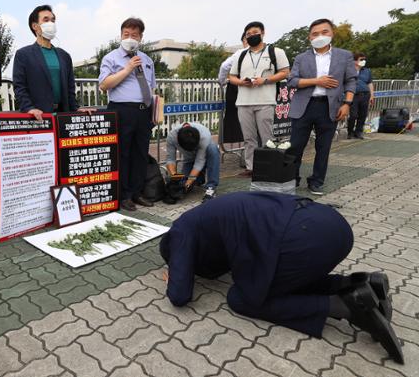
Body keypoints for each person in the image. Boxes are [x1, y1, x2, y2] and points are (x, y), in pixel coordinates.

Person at [160, 191, 403, 364]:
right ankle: (358, 284)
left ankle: (347, 307)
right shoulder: (211, 212)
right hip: (331, 225)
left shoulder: (181, 229)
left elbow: (180, 296)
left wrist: (175, 274)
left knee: (242, 298)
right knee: (280, 277)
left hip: (302, 239)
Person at [287, 18, 357, 195]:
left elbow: (350, 81)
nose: (320, 36)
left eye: (324, 32)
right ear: (309, 37)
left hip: (329, 106)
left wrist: (347, 103)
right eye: (315, 33)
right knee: (295, 145)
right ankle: (291, 179)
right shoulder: (301, 58)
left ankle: (316, 181)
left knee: (323, 146)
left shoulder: (344, 56)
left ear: (332, 33)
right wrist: (316, 81)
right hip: (304, 106)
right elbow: (292, 81)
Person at [99, 17, 156, 212]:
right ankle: (123, 195)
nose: (130, 38)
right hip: (122, 110)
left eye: (134, 35)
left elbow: (151, 86)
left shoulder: (147, 60)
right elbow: (104, 85)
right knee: (122, 154)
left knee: (140, 154)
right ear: (120, 35)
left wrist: (153, 109)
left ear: (140, 37)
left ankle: (137, 192)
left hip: (143, 111)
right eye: (126, 34)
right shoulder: (111, 58)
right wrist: (128, 68)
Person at [228, 22, 290, 176]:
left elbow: (285, 72)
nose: (251, 36)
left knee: (267, 138)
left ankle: (269, 167)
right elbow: (231, 77)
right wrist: (241, 82)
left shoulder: (276, 51)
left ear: (262, 33)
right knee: (249, 138)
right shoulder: (241, 55)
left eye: (254, 32)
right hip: (243, 102)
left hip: (265, 101)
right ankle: (251, 168)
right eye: (248, 34)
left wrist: (265, 80)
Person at [13, 4, 80, 120]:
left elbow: (70, 88)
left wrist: (76, 108)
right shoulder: (23, 55)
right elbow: (20, 87)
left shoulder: (64, 56)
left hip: (63, 116)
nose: (51, 23)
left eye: (53, 20)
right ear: (35, 26)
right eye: (46, 20)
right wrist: (29, 108)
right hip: (39, 116)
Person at [165, 123, 220, 201]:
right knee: (181, 183)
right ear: (178, 140)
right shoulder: (172, 137)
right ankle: (199, 178)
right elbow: (170, 159)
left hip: (204, 157)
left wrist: (188, 183)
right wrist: (174, 177)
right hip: (189, 160)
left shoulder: (204, 136)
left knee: (213, 149)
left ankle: (211, 187)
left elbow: (199, 163)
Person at [347, 52, 374, 139]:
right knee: (353, 115)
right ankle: (350, 132)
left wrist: (372, 95)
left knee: (363, 115)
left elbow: (370, 83)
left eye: (364, 59)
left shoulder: (367, 71)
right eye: (361, 59)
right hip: (353, 95)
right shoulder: (349, 70)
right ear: (355, 61)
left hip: (365, 95)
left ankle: (358, 132)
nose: (364, 61)